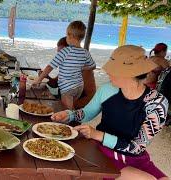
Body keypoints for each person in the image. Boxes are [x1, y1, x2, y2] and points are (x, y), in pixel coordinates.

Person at [51, 45, 169, 180]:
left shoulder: (157, 103)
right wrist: (69, 115)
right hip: (102, 151)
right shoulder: (107, 90)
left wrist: (97, 134)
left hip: (134, 156)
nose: (108, 72)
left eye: (113, 69)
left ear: (129, 74)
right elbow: (86, 113)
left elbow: (136, 147)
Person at [33, 21, 96, 109]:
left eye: (67, 35)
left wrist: (39, 80)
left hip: (68, 88)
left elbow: (49, 67)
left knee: (67, 110)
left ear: (70, 36)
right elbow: (93, 66)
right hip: (79, 87)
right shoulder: (85, 52)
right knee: (69, 108)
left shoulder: (65, 52)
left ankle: (69, 119)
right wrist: (82, 66)